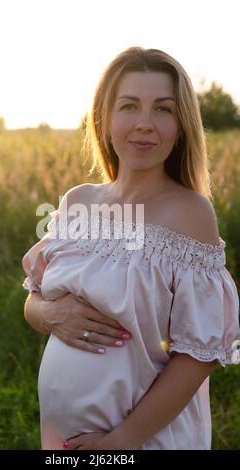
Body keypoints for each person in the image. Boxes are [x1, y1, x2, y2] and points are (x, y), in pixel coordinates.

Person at [21, 46, 240, 450]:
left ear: (181, 127)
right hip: (62, 438)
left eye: (163, 109)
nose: (144, 124)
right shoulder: (77, 202)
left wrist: (122, 440)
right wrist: (50, 313)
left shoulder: (190, 213)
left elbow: (199, 354)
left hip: (142, 441)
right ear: (105, 120)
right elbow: (33, 300)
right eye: (129, 106)